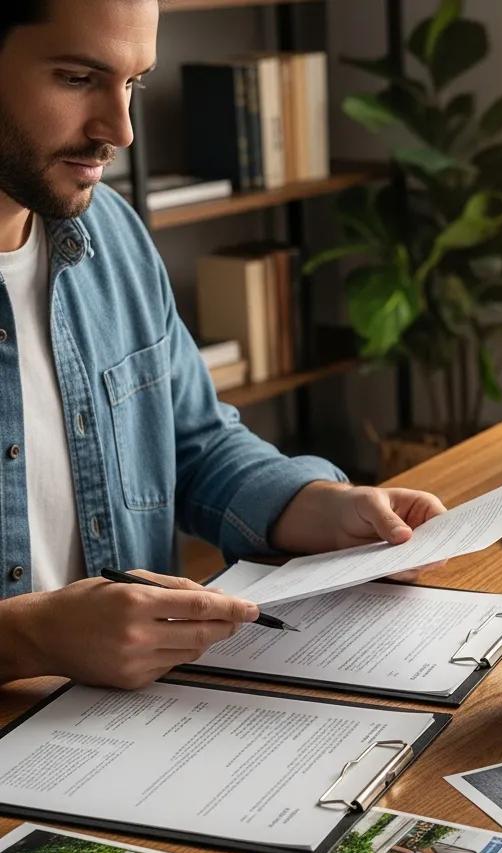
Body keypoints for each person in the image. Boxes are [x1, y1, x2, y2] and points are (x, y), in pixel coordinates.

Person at [0, 0, 445, 688]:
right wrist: (25, 641)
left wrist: (317, 506)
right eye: (76, 78)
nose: (118, 130)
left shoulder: (110, 235)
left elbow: (194, 445)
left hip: (125, 726)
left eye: (132, 84)